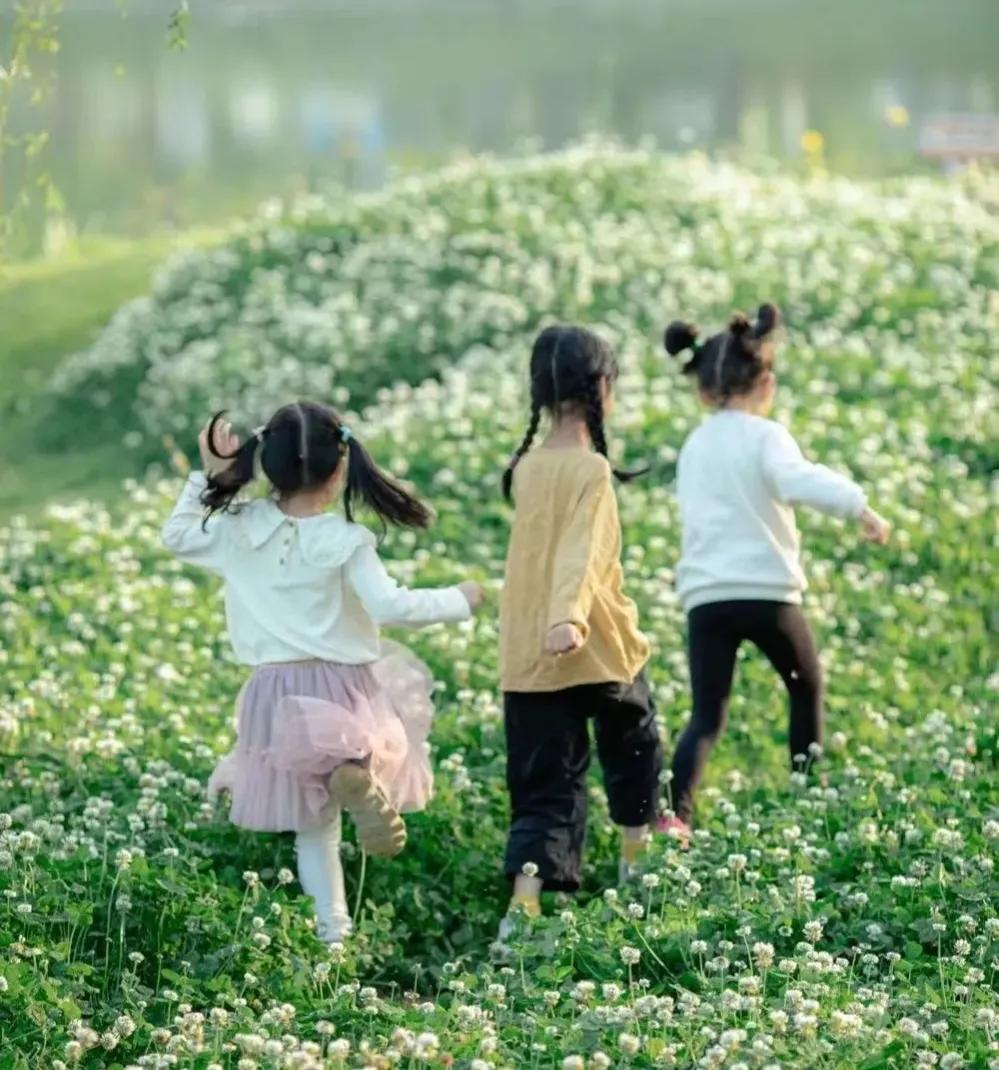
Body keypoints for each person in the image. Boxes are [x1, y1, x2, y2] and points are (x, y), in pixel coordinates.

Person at [162, 401, 483, 944]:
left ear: (268, 465)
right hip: (344, 686)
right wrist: (460, 598)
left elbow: (177, 535)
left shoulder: (239, 528)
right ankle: (356, 772)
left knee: (315, 830)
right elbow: (390, 606)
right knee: (368, 748)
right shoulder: (345, 540)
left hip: (276, 694)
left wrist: (210, 477)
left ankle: (332, 935)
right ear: (340, 470)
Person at [662, 304, 891, 838]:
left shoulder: (694, 446)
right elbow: (798, 479)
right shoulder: (766, 437)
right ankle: (808, 792)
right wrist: (859, 506)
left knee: (707, 715)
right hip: (767, 594)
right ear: (766, 383)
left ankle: (675, 815)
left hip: (707, 599)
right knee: (805, 686)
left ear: (703, 390)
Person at [498, 325, 662, 933]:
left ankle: (522, 912)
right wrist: (567, 616)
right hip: (593, 641)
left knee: (544, 785)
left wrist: (549, 621)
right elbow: (581, 549)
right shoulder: (591, 469)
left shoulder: (526, 467)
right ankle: (636, 861)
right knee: (634, 745)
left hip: (530, 656)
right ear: (602, 388)